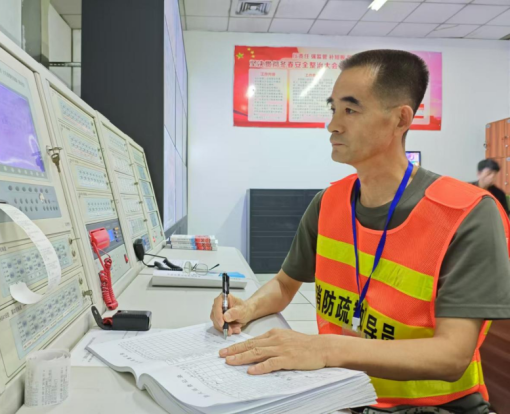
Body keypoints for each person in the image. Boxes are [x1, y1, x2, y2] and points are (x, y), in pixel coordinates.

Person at [210, 50, 510, 413]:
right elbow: (285, 284)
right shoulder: (328, 203)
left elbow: (452, 356)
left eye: (350, 110)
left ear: (400, 119)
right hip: (345, 396)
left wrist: (324, 349)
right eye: (333, 109)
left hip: (434, 407)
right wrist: (247, 308)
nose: (333, 125)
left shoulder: (467, 214)